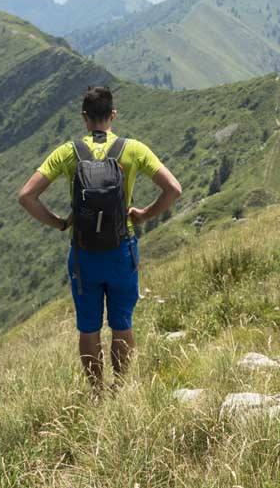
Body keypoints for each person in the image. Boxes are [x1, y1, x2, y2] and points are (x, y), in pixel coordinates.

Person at [18, 85, 181, 389]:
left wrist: (60, 224)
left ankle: (97, 394)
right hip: (122, 249)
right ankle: (120, 389)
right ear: (113, 115)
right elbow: (174, 189)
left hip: (84, 254)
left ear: (84, 118)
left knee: (89, 327)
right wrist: (144, 214)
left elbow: (27, 196)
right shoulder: (133, 149)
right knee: (122, 324)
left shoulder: (68, 153)